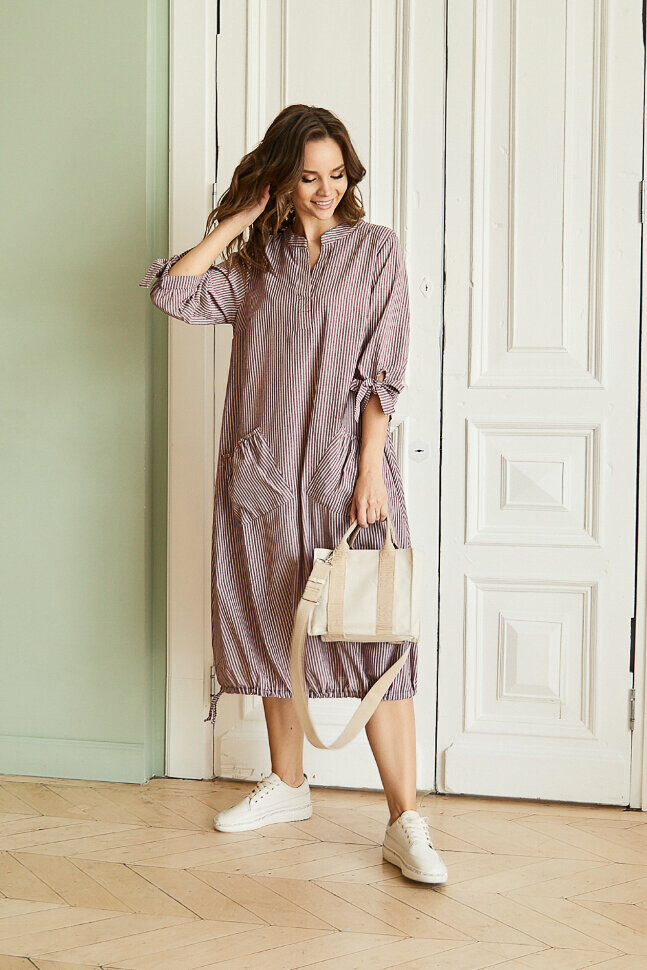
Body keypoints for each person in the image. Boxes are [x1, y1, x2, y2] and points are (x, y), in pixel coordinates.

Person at [139, 104, 448, 884]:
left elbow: (383, 369)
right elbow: (175, 292)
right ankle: (287, 783)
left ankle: (404, 821)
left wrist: (370, 469)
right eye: (307, 177)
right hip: (264, 475)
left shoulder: (375, 251)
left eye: (335, 175)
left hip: (348, 476)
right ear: (282, 178)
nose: (323, 190)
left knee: (376, 641)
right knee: (274, 623)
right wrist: (240, 217)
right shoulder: (256, 263)